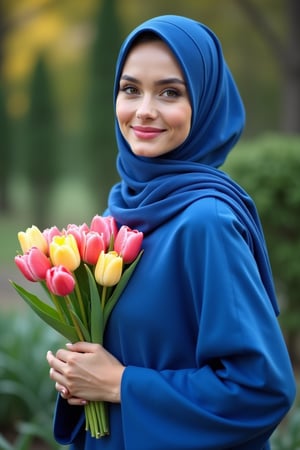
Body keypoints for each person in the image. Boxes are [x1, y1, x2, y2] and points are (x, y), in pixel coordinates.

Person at [46, 15, 296, 449]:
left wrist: (122, 385)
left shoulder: (207, 223)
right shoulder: (123, 208)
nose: (144, 109)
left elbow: (261, 389)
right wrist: (80, 376)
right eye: (130, 89)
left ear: (205, 104)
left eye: (170, 92)